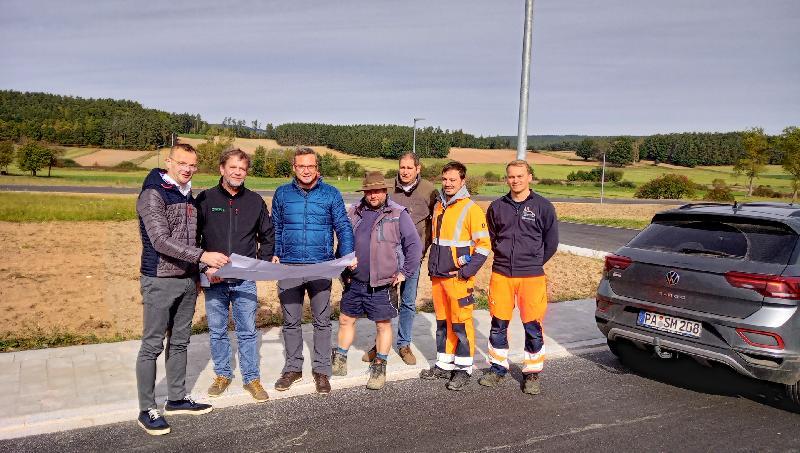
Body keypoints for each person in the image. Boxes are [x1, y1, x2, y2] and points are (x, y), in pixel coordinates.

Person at [135, 143, 229, 435]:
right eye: (182, 163)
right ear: (169, 162)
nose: (187, 169)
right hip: (160, 279)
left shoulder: (188, 196)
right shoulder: (153, 193)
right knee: (152, 345)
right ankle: (147, 409)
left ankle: (176, 399)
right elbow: (161, 241)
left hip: (187, 280)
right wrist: (203, 257)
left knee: (179, 343)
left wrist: (201, 269)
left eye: (193, 165)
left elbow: (193, 239)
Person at [271, 147, 355, 395]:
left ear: (317, 168)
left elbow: (343, 226)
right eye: (301, 166)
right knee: (290, 321)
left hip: (321, 266)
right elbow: (275, 226)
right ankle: (293, 368)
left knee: (321, 321)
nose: (306, 170)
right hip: (289, 266)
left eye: (310, 166)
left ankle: (321, 371)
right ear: (294, 168)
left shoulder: (331, 194)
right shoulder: (282, 194)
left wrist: (347, 255)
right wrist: (274, 252)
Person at [196, 148, 274, 402]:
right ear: (222, 169)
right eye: (233, 167)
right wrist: (204, 268)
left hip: (244, 281)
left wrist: (259, 266)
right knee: (217, 330)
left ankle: (251, 378)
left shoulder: (254, 201)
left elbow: (268, 236)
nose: (238, 172)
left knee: (248, 331)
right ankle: (222, 375)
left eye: (242, 169)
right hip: (214, 279)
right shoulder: (205, 200)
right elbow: (192, 240)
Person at [332, 171, 423, 390]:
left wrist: (404, 272)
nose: (373, 195)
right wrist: (342, 263)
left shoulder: (398, 214)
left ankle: (380, 365)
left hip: (383, 283)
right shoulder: (354, 212)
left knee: (383, 325)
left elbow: (414, 246)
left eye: (377, 191)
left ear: (385, 191)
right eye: (369, 191)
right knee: (346, 319)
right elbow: (343, 239)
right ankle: (340, 358)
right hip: (354, 281)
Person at [479, 160, 558, 395]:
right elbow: (492, 239)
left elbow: (551, 243)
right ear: (507, 179)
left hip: (531, 276)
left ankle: (532, 373)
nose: (515, 180)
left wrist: (532, 262)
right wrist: (504, 258)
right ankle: (497, 368)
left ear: (529, 177)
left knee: (533, 326)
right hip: (501, 274)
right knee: (497, 325)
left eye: (520, 176)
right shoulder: (496, 207)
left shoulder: (544, 207)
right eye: (511, 176)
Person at [420, 161, 491, 391]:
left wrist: (466, 272)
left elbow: (484, 246)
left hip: (458, 278)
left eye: (453, 180)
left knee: (461, 324)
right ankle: (444, 364)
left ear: (462, 181)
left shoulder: (471, 209)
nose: (448, 184)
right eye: (445, 179)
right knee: (443, 323)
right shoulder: (439, 206)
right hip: (438, 277)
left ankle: (463, 369)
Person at [362, 152, 437, 366]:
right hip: (388, 257)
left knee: (408, 302)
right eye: (402, 167)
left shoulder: (429, 190)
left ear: (418, 169)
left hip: (413, 257)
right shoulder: (387, 189)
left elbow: (436, 222)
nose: (404, 172)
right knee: (383, 302)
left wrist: (424, 248)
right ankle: (380, 345)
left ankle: (404, 344)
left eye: (409, 168)